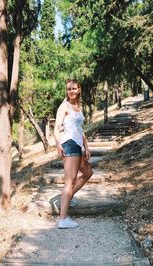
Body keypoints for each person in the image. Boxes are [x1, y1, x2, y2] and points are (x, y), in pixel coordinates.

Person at [54, 79, 93, 229]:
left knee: (88, 172)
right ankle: (63, 219)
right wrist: (58, 144)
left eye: (74, 88)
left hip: (78, 146)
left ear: (79, 90)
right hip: (69, 144)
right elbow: (57, 128)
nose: (71, 91)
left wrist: (87, 147)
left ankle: (67, 197)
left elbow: (80, 130)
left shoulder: (78, 107)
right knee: (70, 181)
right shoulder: (64, 106)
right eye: (69, 89)